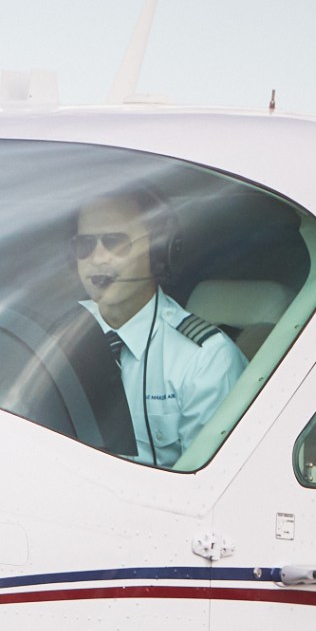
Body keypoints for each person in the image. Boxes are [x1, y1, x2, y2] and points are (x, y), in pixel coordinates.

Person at [73, 188, 247, 466]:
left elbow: (205, 488)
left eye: (114, 243)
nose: (97, 258)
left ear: (157, 251)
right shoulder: (55, 336)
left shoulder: (206, 360)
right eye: (85, 245)